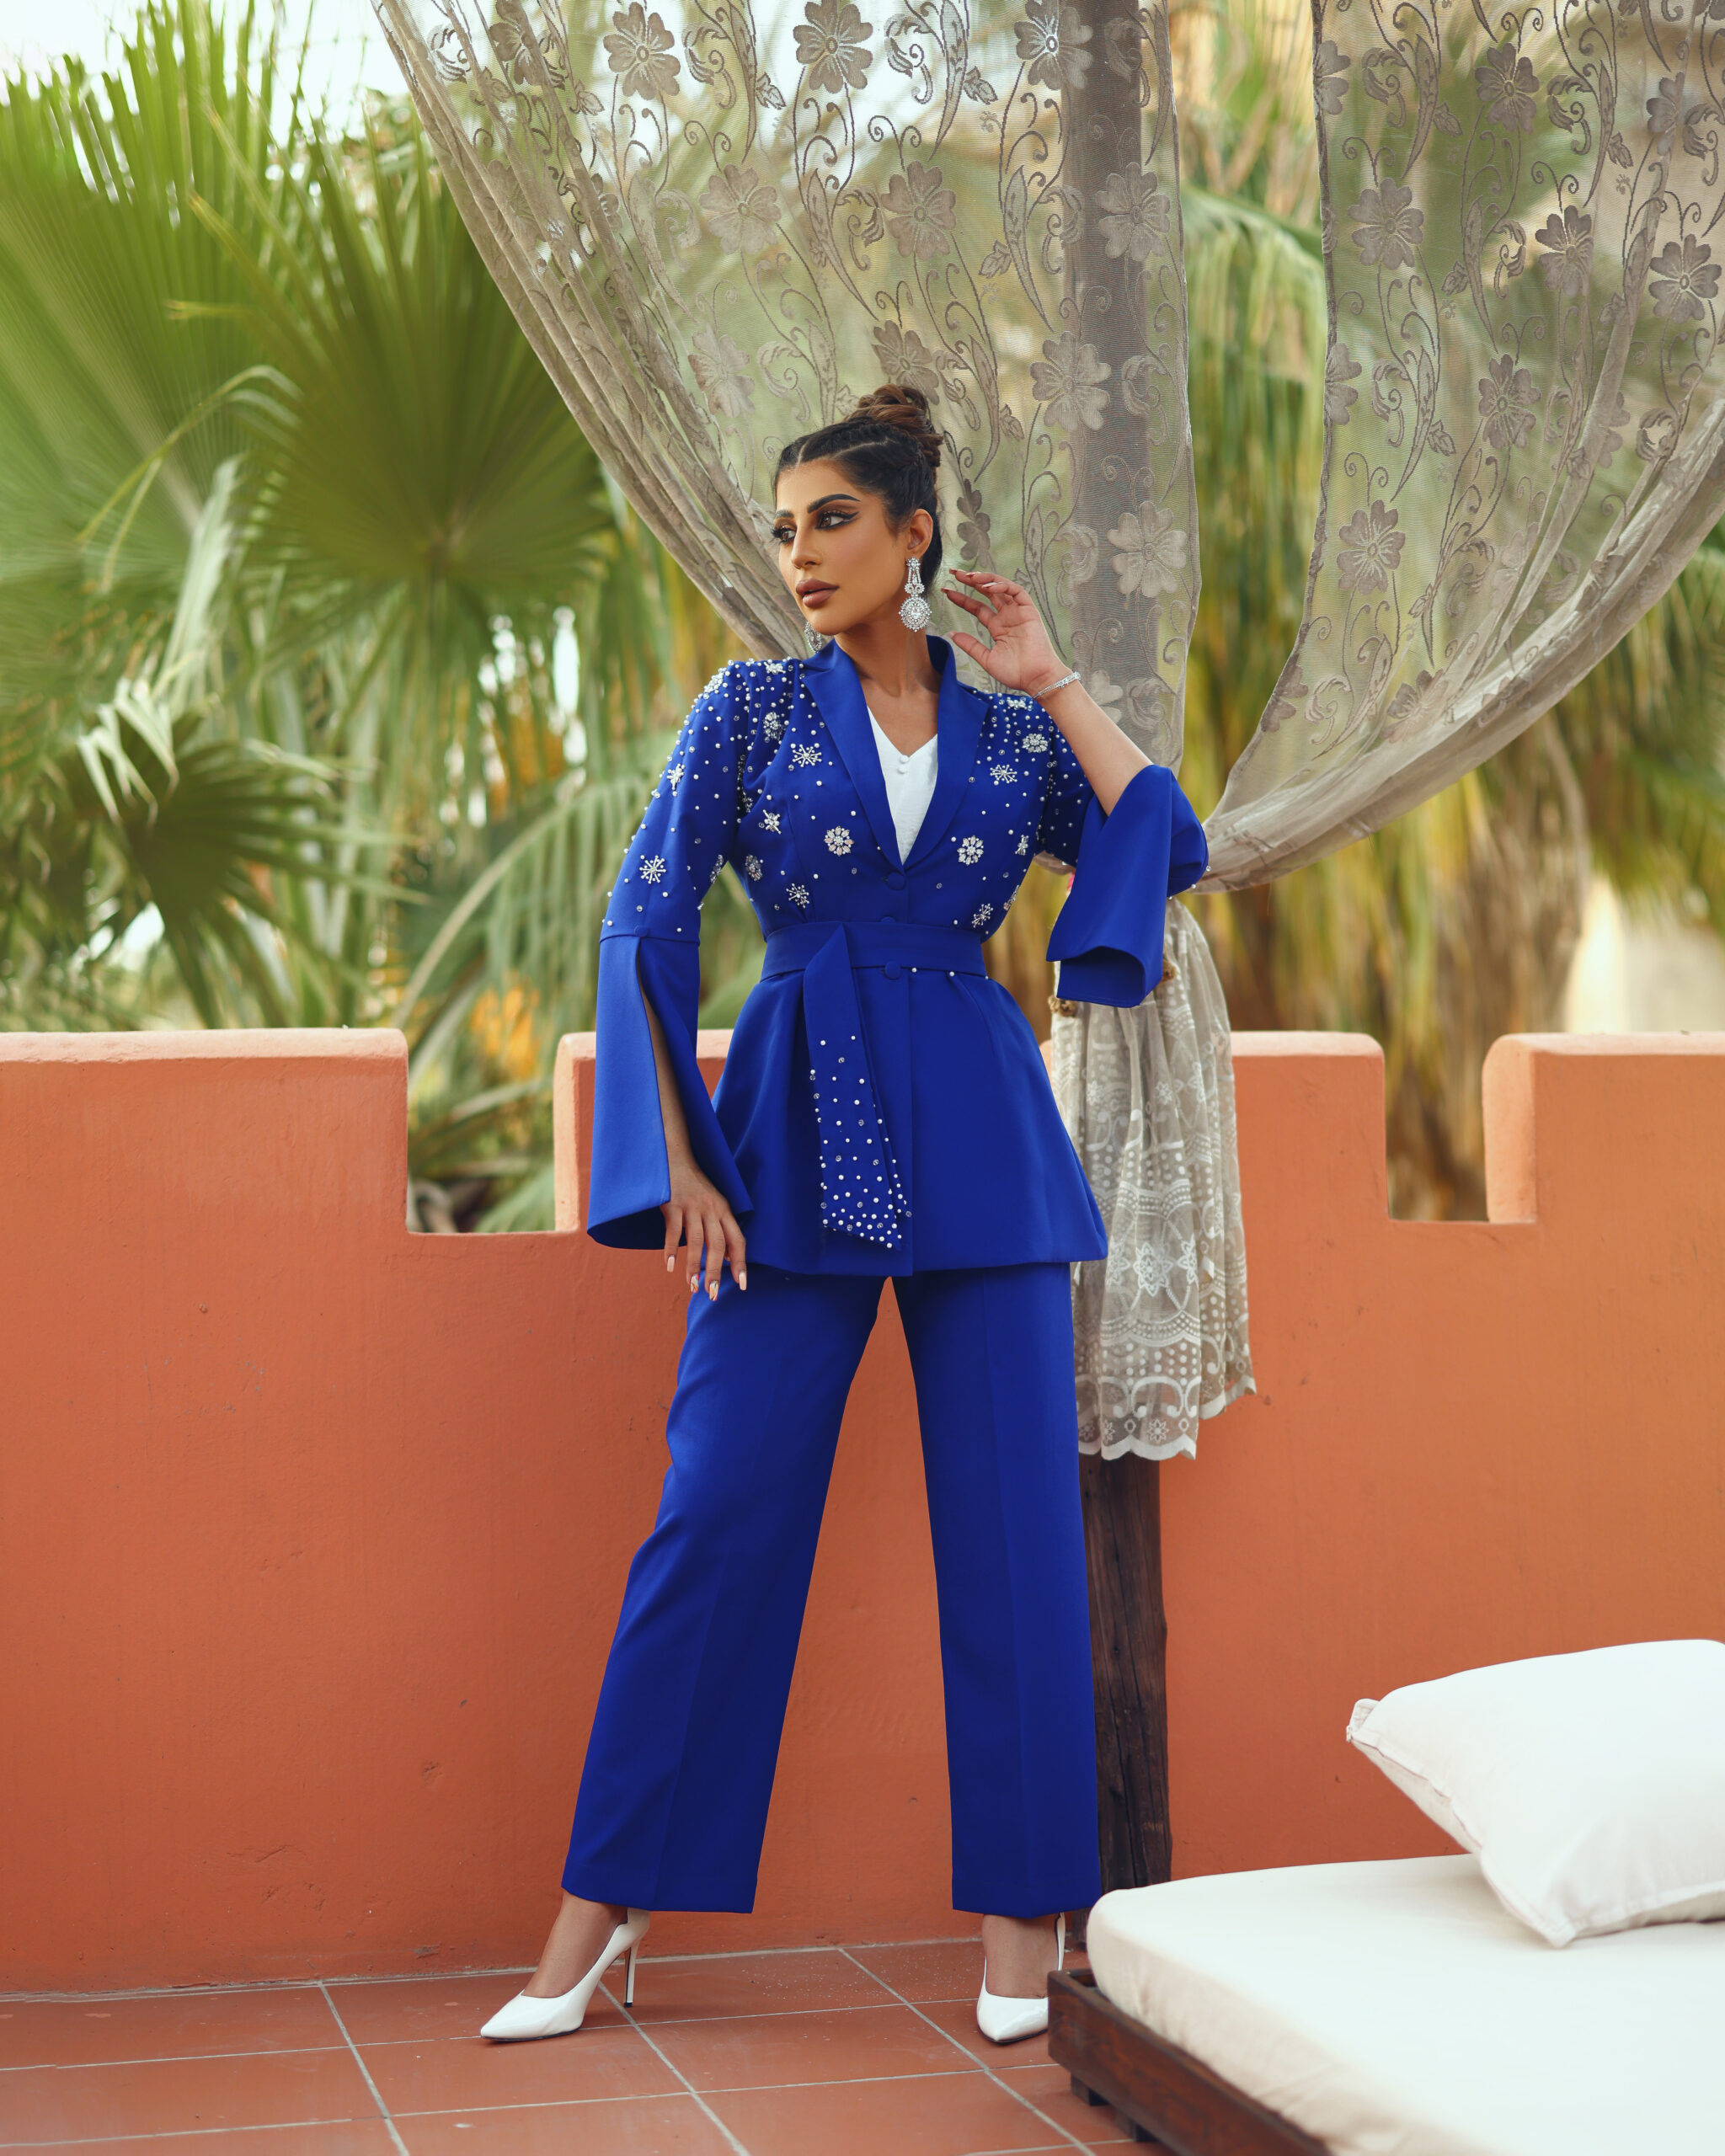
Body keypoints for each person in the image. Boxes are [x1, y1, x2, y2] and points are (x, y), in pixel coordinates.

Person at [481, 385, 1207, 2047]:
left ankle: (1023, 1922)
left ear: (912, 534)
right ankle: (604, 1906)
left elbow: (1161, 843)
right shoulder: (747, 712)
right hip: (791, 1142)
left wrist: (1053, 679)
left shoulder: (1012, 738)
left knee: (1017, 1545)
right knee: (716, 1517)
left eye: (831, 520)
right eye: (785, 527)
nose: (799, 553)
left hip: (983, 1142)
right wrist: (680, 1164)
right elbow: (645, 915)